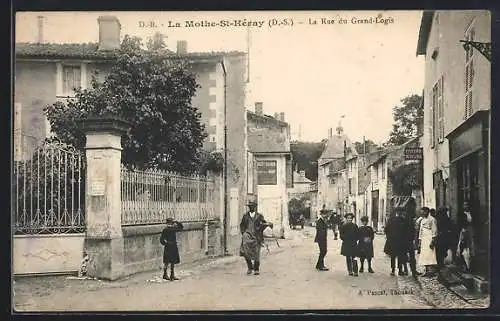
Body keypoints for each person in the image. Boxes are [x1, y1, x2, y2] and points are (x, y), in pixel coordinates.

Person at [239, 200, 273, 275]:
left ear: (255, 207)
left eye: (253, 206)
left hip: (257, 237)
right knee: (246, 252)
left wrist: (268, 225)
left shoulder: (259, 216)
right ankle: (250, 267)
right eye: (250, 206)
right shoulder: (245, 216)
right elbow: (242, 225)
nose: (251, 207)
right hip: (247, 237)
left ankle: (256, 269)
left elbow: (264, 224)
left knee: (256, 253)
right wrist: (244, 233)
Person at [384, 208, 409, 276]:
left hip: (395, 241)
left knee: (394, 256)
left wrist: (389, 237)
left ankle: (394, 270)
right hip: (399, 241)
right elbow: (407, 232)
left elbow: (386, 230)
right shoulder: (403, 220)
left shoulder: (391, 220)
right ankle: (399, 270)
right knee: (399, 256)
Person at [417, 207, 438, 276]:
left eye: (423, 212)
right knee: (424, 255)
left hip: (429, 238)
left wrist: (433, 240)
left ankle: (431, 272)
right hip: (424, 239)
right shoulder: (422, 220)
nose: (422, 213)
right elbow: (421, 230)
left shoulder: (432, 219)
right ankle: (426, 271)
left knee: (430, 254)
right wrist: (420, 240)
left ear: (427, 212)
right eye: (421, 212)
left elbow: (434, 231)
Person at [456, 202, 474, 272]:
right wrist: (463, 229)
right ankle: (464, 265)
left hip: (470, 230)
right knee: (463, 247)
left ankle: (469, 266)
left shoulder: (471, 213)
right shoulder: (460, 214)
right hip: (463, 231)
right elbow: (459, 223)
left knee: (470, 247)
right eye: (464, 205)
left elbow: (473, 222)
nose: (466, 206)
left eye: (467, 205)